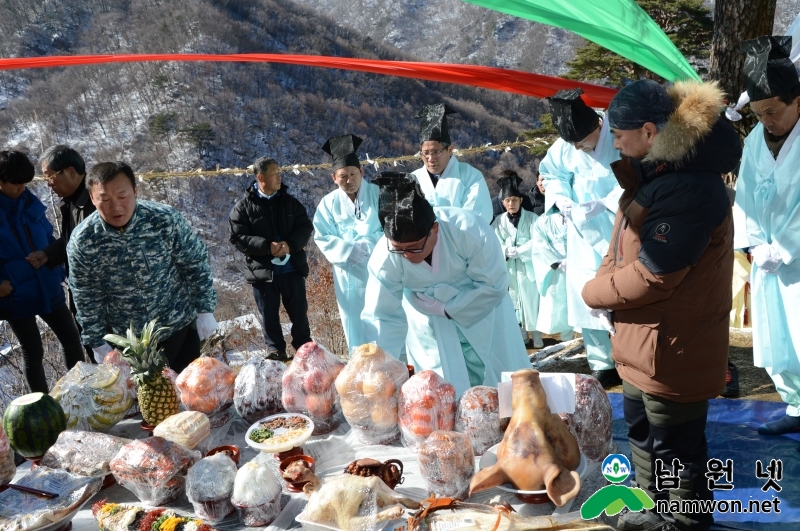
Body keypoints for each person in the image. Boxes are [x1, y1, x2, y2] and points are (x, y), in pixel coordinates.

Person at [582, 79, 741, 531]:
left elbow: (655, 273)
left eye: (618, 133)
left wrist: (593, 294)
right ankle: (652, 506)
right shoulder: (655, 174)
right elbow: (621, 245)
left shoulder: (690, 187)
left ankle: (685, 522)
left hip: (674, 344)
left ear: (650, 132)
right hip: (643, 341)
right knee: (641, 432)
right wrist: (604, 277)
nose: (612, 141)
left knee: (676, 445)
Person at [361, 172, 530, 396]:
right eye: (399, 249)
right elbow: (381, 316)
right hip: (428, 321)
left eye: (415, 247)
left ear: (435, 230)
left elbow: (494, 284)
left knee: (501, 385)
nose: (407, 256)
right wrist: (379, 368)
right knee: (442, 393)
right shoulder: (384, 256)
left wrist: (449, 308)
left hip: (484, 311)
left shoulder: (468, 230)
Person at [68, 162, 217, 373]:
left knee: (192, 396)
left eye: (122, 196)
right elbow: (86, 295)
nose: (116, 207)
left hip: (178, 326)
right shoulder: (83, 241)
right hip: (129, 344)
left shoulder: (163, 219)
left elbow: (195, 263)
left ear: (135, 191)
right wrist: (97, 342)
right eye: (105, 199)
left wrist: (205, 309)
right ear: (92, 199)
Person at [733, 36, 800, 435]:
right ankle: (795, 404)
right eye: (758, 114)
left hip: (794, 254)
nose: (766, 122)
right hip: (769, 259)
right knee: (778, 337)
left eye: (773, 112)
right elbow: (745, 195)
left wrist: (786, 246)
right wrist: (755, 242)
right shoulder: (755, 140)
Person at [539, 88, 623, 388]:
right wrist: (561, 199)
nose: (578, 149)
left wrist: (605, 202)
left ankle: (626, 356)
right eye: (572, 144)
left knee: (621, 290)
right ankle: (602, 361)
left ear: (596, 126)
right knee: (587, 292)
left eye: (583, 143)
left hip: (618, 225)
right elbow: (551, 174)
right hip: (580, 232)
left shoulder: (618, 135)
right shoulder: (565, 148)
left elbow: (640, 171)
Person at [0, 151, 86, 392]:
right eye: (16, 185)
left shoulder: (28, 202)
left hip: (47, 281)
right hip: (15, 292)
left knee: (71, 339)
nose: (21, 189)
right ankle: (42, 408)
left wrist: (54, 261)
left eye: (24, 184)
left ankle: (82, 394)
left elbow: (47, 235)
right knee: (33, 352)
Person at [229, 157, 313, 361]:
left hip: (292, 268)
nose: (279, 176)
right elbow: (238, 237)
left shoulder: (290, 202)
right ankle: (276, 351)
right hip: (263, 272)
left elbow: (305, 227)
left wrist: (290, 245)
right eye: (274, 173)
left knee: (300, 313)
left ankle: (305, 349)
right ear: (260, 177)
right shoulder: (243, 208)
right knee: (269, 315)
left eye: (279, 172)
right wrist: (268, 247)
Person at [313, 134, 383, 354]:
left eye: (353, 174)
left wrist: (369, 245)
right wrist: (348, 250)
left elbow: (390, 229)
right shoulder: (328, 203)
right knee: (354, 325)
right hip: (348, 275)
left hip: (380, 270)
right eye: (343, 176)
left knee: (383, 321)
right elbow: (322, 236)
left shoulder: (378, 194)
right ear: (334, 177)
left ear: (362, 172)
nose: (349, 180)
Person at [26, 145, 96, 362]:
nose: (47, 184)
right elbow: (72, 240)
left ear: (71, 172)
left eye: (50, 176)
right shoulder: (73, 202)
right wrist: (48, 254)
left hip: (101, 305)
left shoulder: (96, 203)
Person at [411, 103, 493, 223]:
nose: (430, 158)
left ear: (450, 149)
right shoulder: (412, 179)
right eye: (425, 153)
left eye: (436, 152)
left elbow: (476, 219)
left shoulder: (472, 177)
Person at [491, 175, 543, 349]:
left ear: (520, 200)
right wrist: (505, 250)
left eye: (514, 200)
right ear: (503, 203)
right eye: (507, 200)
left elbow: (538, 240)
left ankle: (537, 335)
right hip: (510, 269)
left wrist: (520, 250)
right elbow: (494, 241)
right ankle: (522, 336)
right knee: (514, 302)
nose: (511, 203)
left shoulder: (532, 218)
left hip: (527, 267)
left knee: (531, 300)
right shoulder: (499, 221)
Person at [530, 179, 572, 340]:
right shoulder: (543, 221)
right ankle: (566, 339)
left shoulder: (577, 216)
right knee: (560, 304)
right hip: (555, 269)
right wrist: (557, 262)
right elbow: (540, 246)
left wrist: (574, 259)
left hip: (577, 265)